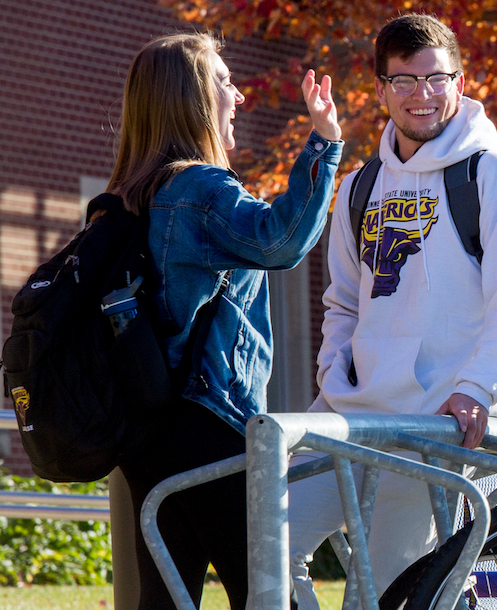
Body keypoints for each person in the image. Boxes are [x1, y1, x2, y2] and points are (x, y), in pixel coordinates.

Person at [287, 14, 497, 608]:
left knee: (380, 594)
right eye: (403, 81)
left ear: (459, 83)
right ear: (380, 90)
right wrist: (334, 372)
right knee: (262, 544)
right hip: (349, 417)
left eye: (436, 79)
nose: (422, 96)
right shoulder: (358, 187)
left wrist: (479, 388)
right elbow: (342, 302)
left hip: (431, 428)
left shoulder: (490, 177)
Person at [107, 33, 343, 609]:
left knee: (165, 599)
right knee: (268, 595)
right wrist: (325, 143)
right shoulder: (200, 189)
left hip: (145, 431)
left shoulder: (132, 193)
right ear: (191, 98)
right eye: (223, 81)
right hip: (208, 424)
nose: (237, 97)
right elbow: (281, 240)